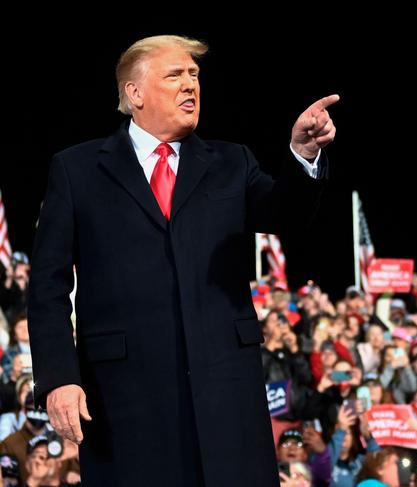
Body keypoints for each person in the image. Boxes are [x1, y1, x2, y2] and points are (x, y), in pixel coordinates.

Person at [27, 34, 338, 486]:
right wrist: (58, 377)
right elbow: (47, 286)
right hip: (125, 402)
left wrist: (303, 155)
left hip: (227, 393)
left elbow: (285, 215)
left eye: (195, 75)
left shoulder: (232, 162)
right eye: (175, 74)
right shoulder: (76, 171)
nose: (190, 84)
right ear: (134, 93)